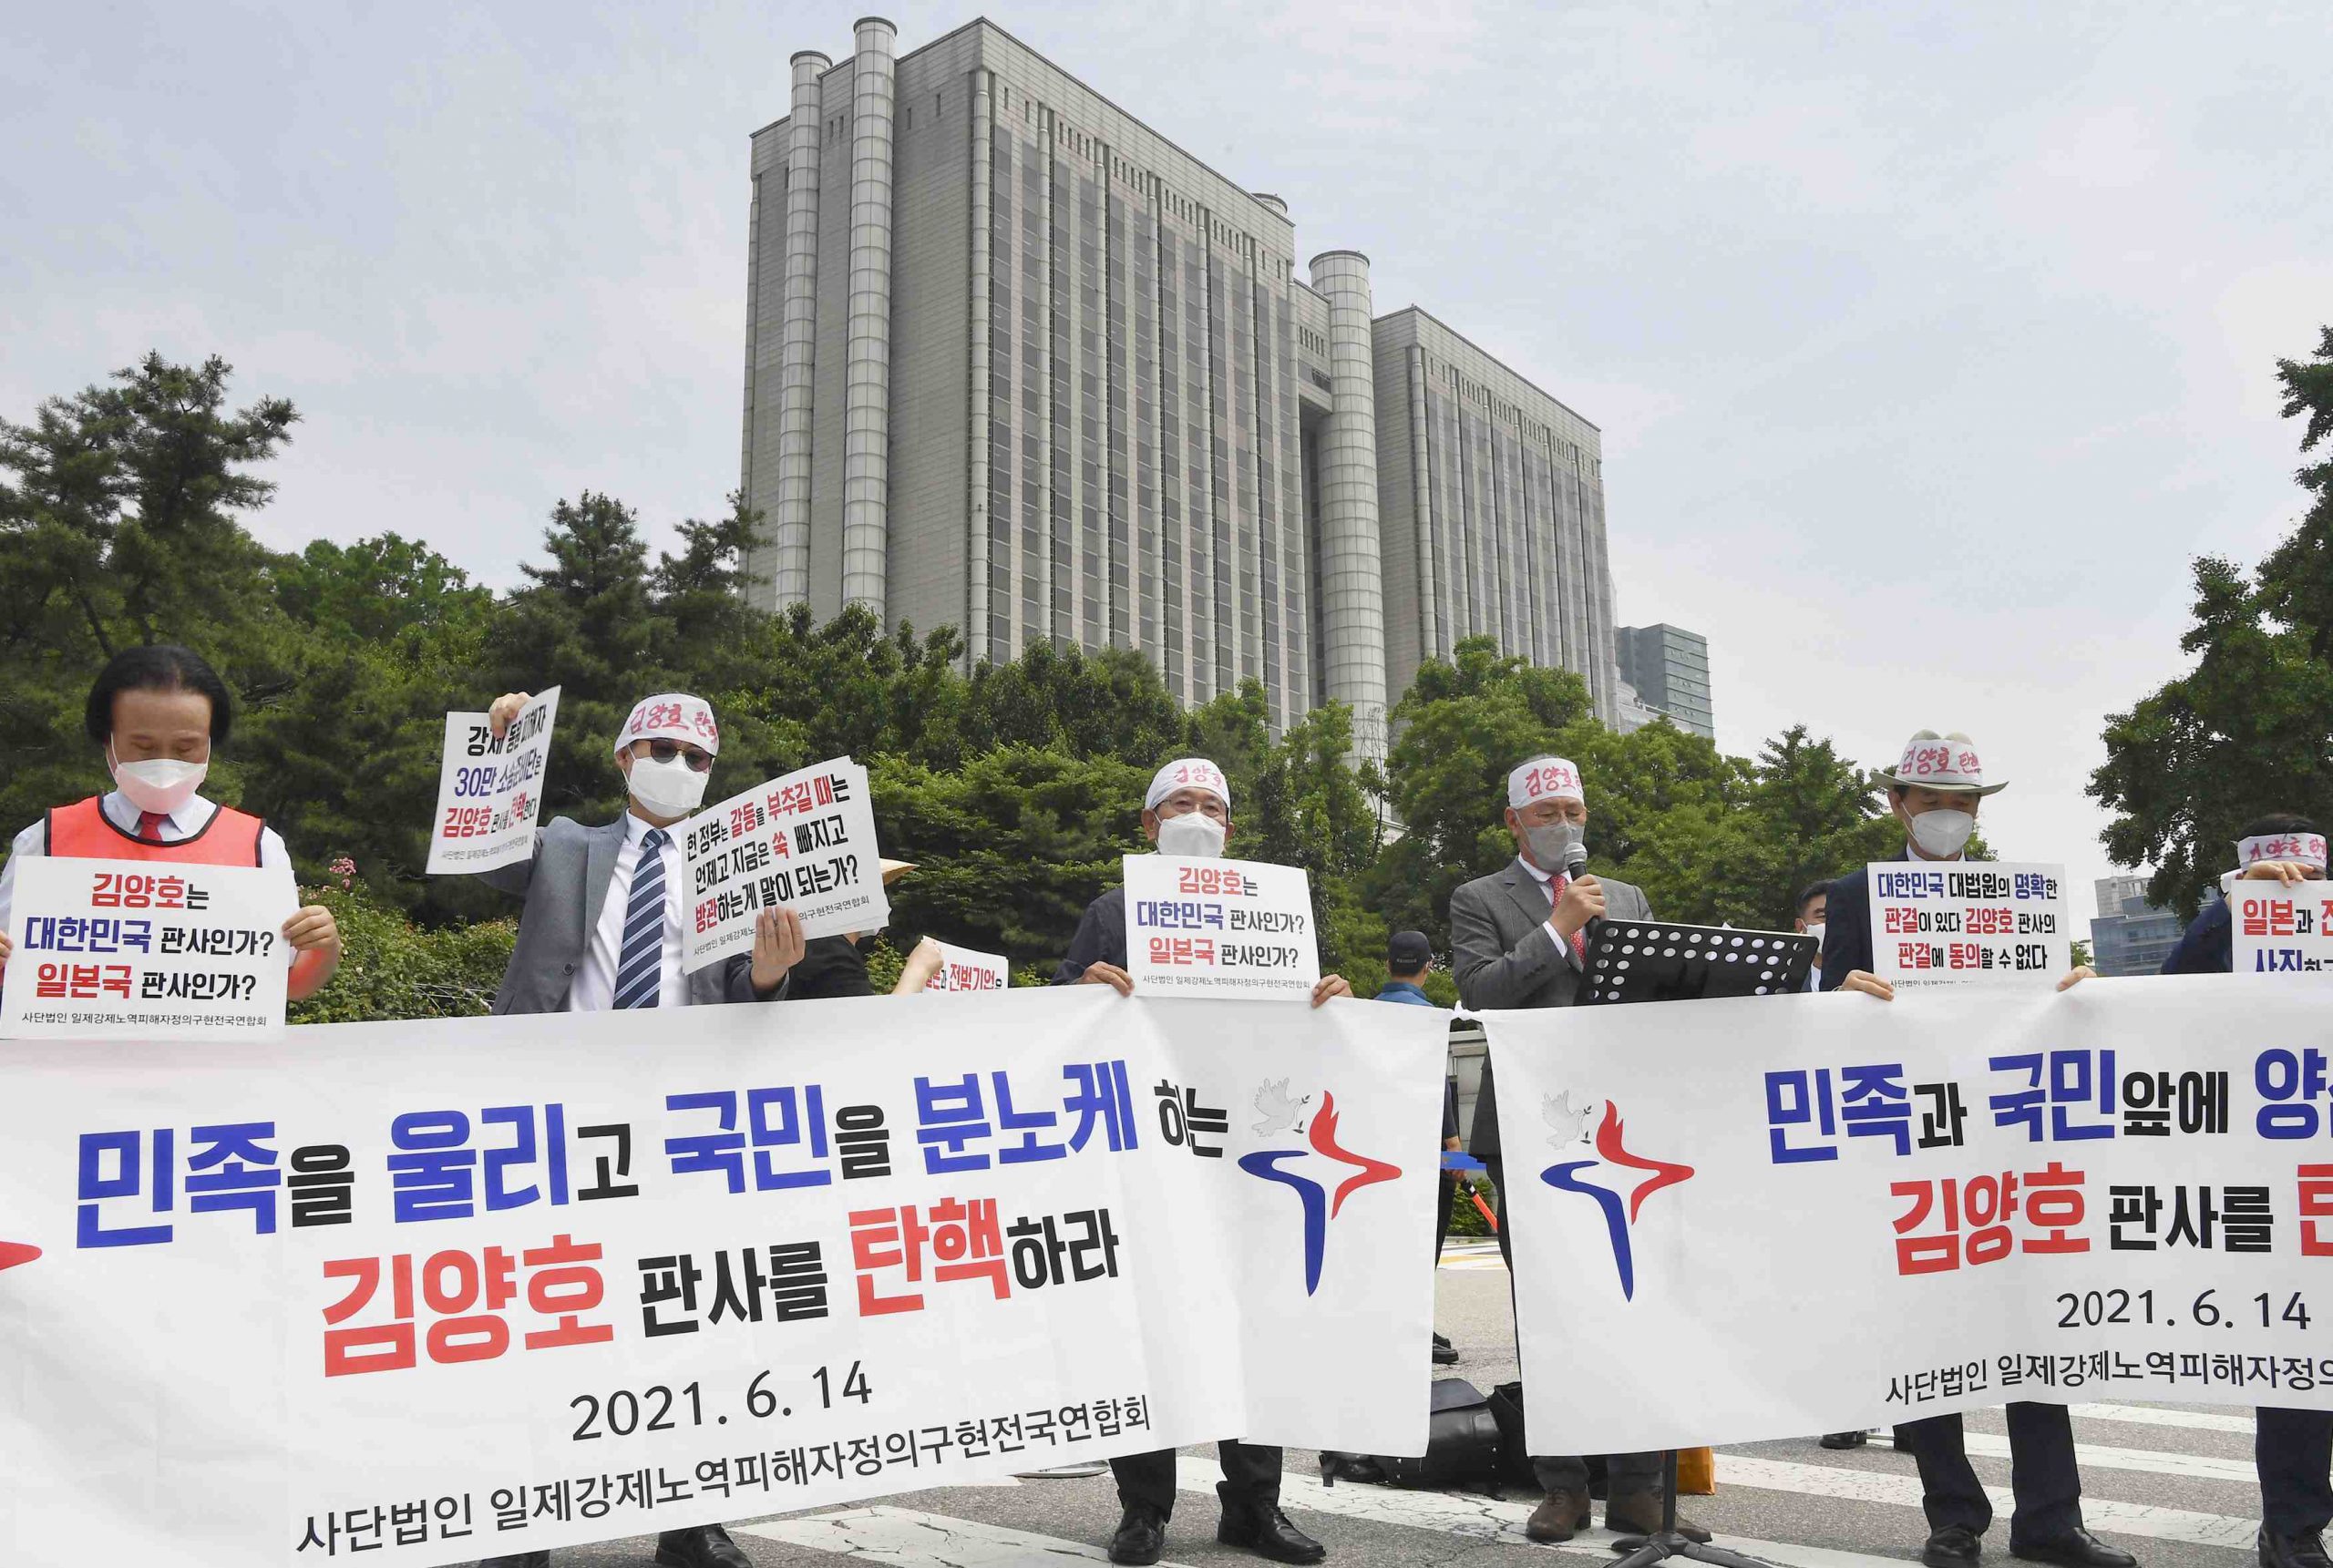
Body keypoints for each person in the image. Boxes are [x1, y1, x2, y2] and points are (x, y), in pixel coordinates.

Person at [475, 691, 804, 1568]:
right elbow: (477, 850)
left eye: (699, 758)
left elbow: (745, 993)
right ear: (624, 756)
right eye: (664, 748)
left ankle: (691, 1518)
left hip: (683, 1117)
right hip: (559, 1111)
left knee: (687, 1313)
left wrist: (770, 975)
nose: (682, 767)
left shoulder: (736, 863)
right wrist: (500, 743)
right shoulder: (564, 846)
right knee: (545, 1312)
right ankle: (525, 1519)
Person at [1823, 730, 2133, 1568]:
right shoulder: (1855, 895)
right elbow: (1815, 1010)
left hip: (2009, 1142)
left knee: (2034, 1330)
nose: (1950, 815)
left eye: (1965, 802)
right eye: (1934, 801)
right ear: (1898, 804)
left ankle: (2051, 1519)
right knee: (1926, 1337)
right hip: (1914, 1145)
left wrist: (2078, 988)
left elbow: (2043, 998)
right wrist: (1838, 990)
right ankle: (1953, 1516)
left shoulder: (2018, 898)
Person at [1054, 756, 1348, 1568]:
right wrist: (1082, 982)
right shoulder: (1112, 909)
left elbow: (1299, 1020)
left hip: (1248, 1152)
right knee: (1148, 1327)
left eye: (1212, 804)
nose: (1197, 814)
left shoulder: (1272, 908)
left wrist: (1331, 1002)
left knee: (1251, 1327)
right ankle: (1142, 1510)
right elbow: (1053, 1009)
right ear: (1148, 823)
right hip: (1149, 1147)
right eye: (1179, 802)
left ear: (1231, 824)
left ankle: (1254, 1506)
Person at [1448, 755, 1705, 1546]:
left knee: (1631, 1302)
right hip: (1532, 1130)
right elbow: (1482, 990)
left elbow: (1655, 995)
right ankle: (1562, 1484)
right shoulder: (1480, 899)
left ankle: (1637, 1487)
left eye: (1575, 809)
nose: (1565, 823)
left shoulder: (1625, 897)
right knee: (1554, 1308)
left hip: (1622, 1130)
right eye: (1548, 810)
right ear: (1515, 821)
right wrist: (1558, 929)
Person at [2154, 815, 2330, 1568]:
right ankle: (2291, 1526)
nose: (2293, 898)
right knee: (2297, 1360)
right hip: (2277, 1186)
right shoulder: (2218, 947)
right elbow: (2162, 1005)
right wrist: (2229, 907)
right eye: (2274, 883)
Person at [0, 643, 341, 998]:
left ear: (210, 743)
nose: (163, 762)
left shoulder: (258, 846)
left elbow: (285, 987)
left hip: (208, 1053)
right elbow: (11, 976)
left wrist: (323, 947)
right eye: (143, 747)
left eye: (185, 748)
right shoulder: (48, 840)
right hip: (75, 1051)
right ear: (108, 741)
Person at [1375, 931, 1461, 1365]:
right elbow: (1437, 1092)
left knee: (1387, 1243)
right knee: (1425, 1242)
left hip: (1377, 1154)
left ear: (1387, 966)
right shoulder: (1430, 1016)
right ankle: (1413, 1329)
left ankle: (1394, 1325)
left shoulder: (1363, 1014)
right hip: (1426, 1155)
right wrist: (1457, 1154)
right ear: (1428, 967)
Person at [1795, 881, 1828, 994]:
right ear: (1801, 927)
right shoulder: (1785, 984)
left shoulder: (1876, 975)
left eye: (1843, 915)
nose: (1835, 923)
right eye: (1823, 916)